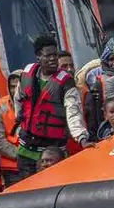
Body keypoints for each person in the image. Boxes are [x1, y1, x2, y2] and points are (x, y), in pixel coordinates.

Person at [15, 34, 91, 182]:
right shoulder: (26, 74)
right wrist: (19, 120)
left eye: (55, 55)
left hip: (53, 150)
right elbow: (18, 99)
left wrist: (82, 138)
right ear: (38, 57)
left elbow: (73, 112)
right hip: (26, 149)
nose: (52, 59)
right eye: (48, 56)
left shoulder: (66, 83)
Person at [0, 72, 21, 188]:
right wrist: (21, 155)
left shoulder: (37, 103)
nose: (15, 90)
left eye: (18, 86)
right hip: (12, 167)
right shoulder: (1, 106)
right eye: (12, 86)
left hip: (35, 163)